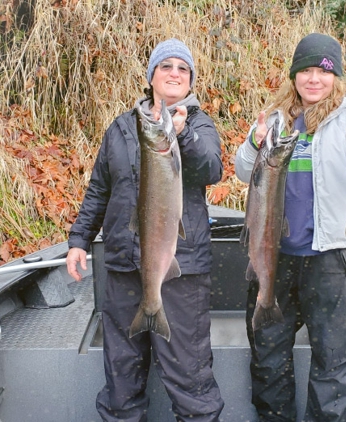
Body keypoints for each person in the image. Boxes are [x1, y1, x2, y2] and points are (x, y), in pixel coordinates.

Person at [235, 33, 346, 422]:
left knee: (332, 365)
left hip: (332, 260)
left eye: (322, 72)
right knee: (269, 359)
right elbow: (242, 172)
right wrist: (253, 143)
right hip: (274, 256)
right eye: (305, 71)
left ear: (335, 77)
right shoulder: (274, 119)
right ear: (294, 76)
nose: (313, 80)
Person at [66, 38, 224, 422]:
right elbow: (100, 189)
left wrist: (182, 134)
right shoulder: (122, 127)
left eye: (182, 69)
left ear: (190, 82)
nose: (174, 73)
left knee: (189, 377)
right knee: (121, 378)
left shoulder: (199, 124)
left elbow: (211, 169)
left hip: (179, 269)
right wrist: (78, 239)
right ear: (151, 76)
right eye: (165, 66)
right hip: (123, 266)